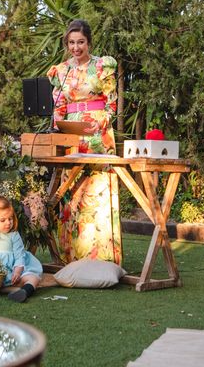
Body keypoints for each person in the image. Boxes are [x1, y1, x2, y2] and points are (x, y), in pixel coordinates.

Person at [46, 19, 122, 265]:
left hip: (97, 131)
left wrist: (101, 122)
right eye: (71, 43)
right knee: (72, 190)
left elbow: (112, 101)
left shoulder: (102, 65)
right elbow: (58, 105)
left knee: (97, 189)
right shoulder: (61, 70)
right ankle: (73, 254)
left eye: (80, 42)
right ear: (67, 44)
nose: (76, 47)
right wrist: (57, 128)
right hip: (71, 133)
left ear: (88, 42)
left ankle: (103, 255)